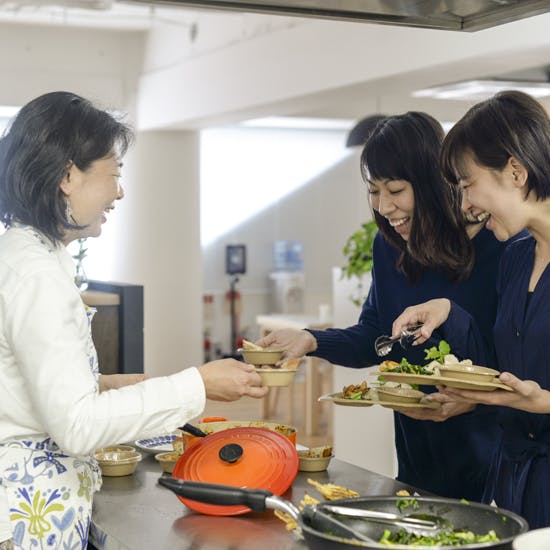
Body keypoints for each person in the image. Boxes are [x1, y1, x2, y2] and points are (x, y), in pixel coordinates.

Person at [0, 91, 268, 550]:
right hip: (31, 512)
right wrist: (198, 385)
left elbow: (21, 383)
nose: (119, 192)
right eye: (114, 173)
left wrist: (102, 385)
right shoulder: (37, 274)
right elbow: (78, 425)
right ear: (68, 175)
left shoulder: (26, 252)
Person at [257, 111, 511, 502]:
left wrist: (473, 399)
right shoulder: (389, 248)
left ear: (432, 184)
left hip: (493, 458)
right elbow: (376, 338)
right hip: (417, 453)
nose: (383, 206)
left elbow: (515, 360)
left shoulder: (501, 245)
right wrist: (309, 340)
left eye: (395, 189)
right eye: (374, 191)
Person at [391, 90, 550, 528]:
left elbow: (534, 392)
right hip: (511, 483)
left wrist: (544, 402)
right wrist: (450, 311)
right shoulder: (516, 258)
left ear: (515, 171)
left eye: (466, 185)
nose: (464, 205)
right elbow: (501, 368)